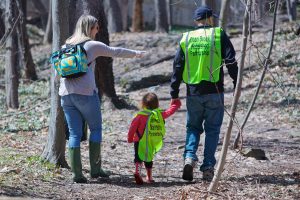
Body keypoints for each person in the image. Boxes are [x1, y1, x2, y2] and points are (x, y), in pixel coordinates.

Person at [59, 14, 146, 183]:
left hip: (66, 95)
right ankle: (96, 169)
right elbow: (116, 52)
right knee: (96, 129)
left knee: (75, 134)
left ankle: (77, 174)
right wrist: (137, 53)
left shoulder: (65, 45)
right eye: (97, 27)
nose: (98, 30)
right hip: (86, 94)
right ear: (90, 28)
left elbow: (58, 72)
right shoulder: (92, 45)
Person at [170, 6, 238, 181]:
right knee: (213, 130)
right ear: (209, 19)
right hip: (215, 91)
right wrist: (237, 81)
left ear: (196, 21)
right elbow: (230, 59)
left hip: (193, 92)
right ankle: (208, 167)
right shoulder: (218, 34)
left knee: (193, 127)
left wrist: (174, 91)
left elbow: (177, 66)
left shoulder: (187, 38)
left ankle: (189, 157)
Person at [127, 93, 181, 184]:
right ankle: (149, 177)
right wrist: (175, 105)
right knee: (149, 158)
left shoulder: (140, 115)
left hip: (139, 140)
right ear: (157, 104)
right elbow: (169, 112)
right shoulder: (158, 115)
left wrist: (129, 138)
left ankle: (137, 171)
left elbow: (133, 127)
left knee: (138, 157)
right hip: (151, 141)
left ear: (143, 104)